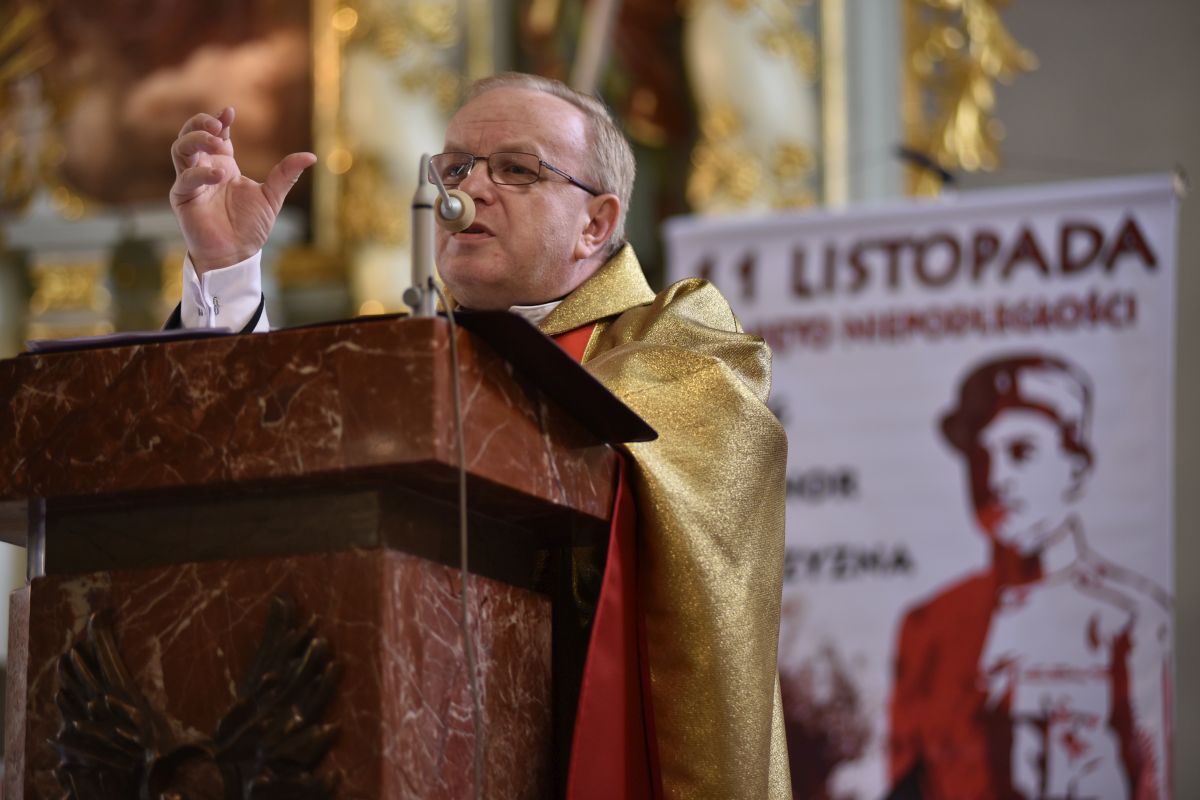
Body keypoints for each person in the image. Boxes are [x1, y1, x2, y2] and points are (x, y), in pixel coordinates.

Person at [167, 72, 791, 799]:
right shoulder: (414, 359)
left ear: (596, 224)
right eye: (455, 167)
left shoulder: (680, 348)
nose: (471, 189)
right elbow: (266, 455)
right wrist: (227, 268)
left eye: (517, 170)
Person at [888, 353, 1172, 800]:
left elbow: (1157, 781)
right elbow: (903, 778)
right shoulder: (929, 628)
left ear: (1076, 468)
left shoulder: (1132, 616)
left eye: (1022, 452)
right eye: (981, 456)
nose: (996, 479)